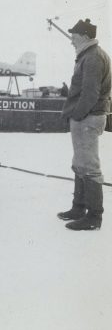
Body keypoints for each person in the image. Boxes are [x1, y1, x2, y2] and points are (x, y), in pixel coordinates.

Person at [58, 18, 111, 231]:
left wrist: (76, 115)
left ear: (86, 37)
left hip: (87, 118)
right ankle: (78, 207)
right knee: (80, 163)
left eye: (74, 36)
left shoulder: (93, 57)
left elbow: (90, 94)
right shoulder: (89, 56)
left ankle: (94, 217)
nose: (71, 40)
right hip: (86, 117)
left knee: (89, 166)